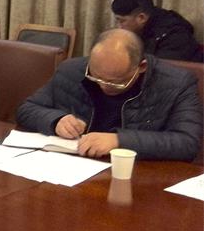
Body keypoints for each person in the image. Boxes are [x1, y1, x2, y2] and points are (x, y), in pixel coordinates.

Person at [16, 29, 202, 161]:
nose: (104, 86)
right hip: (74, 165)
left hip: (135, 175)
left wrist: (119, 140)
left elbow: (187, 143)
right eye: (96, 77)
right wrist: (56, 120)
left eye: (116, 82)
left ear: (141, 67)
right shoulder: (72, 69)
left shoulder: (177, 83)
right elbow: (26, 110)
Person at [111, 0, 201, 62]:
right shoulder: (139, 30)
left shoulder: (175, 34)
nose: (119, 27)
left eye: (122, 21)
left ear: (141, 18)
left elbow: (159, 71)